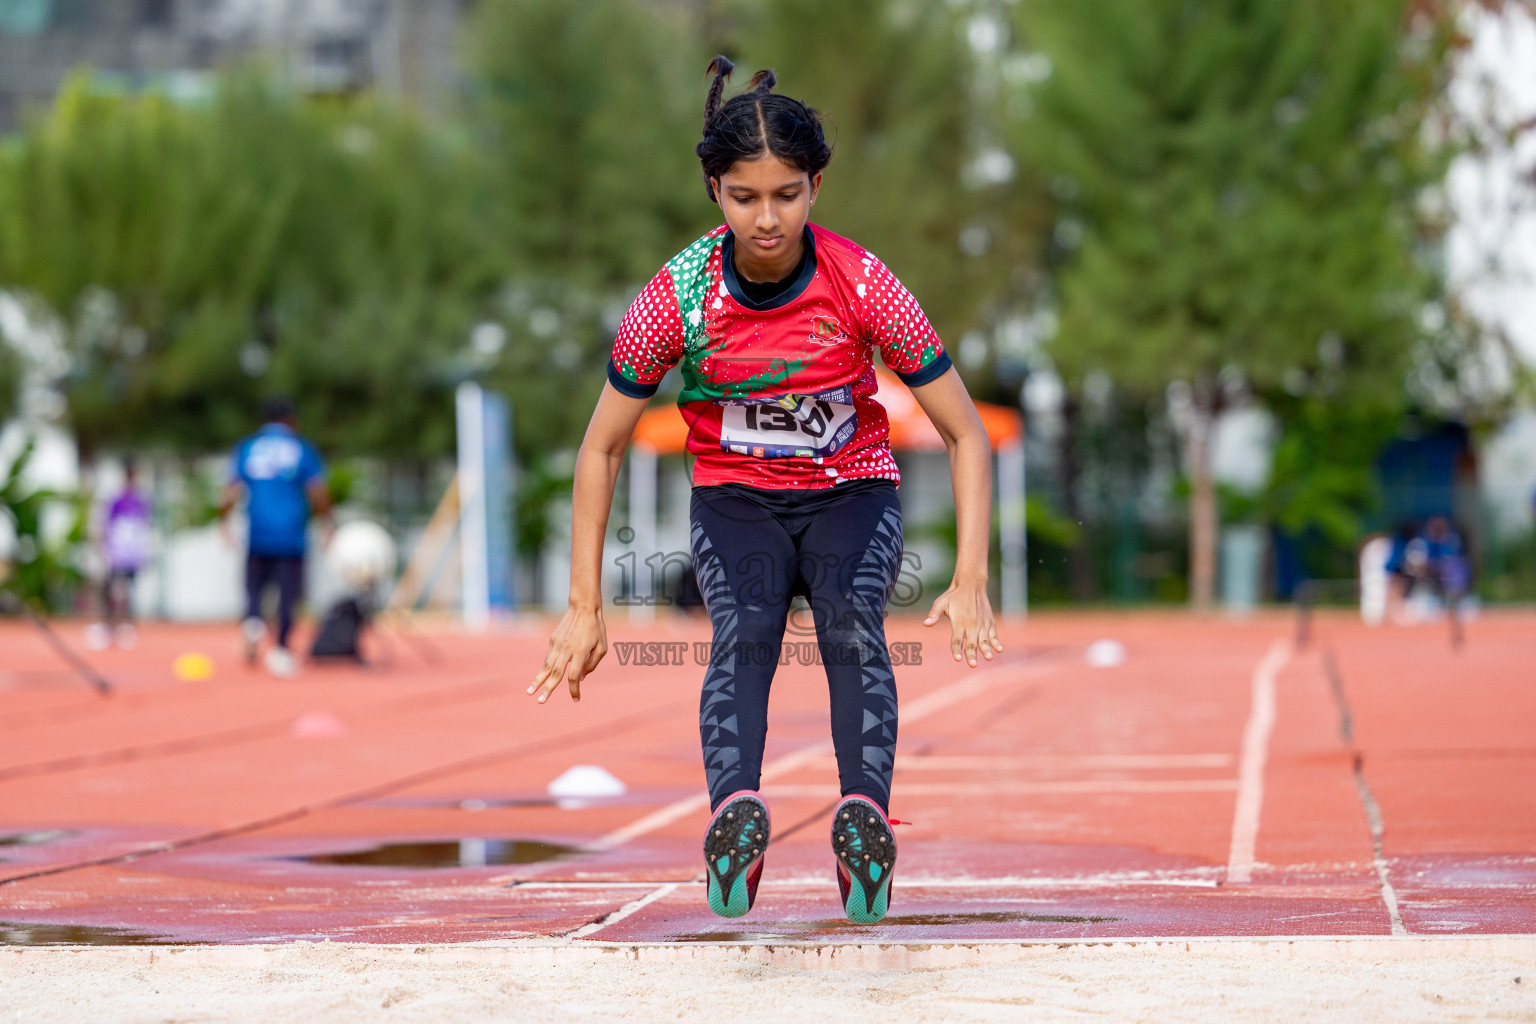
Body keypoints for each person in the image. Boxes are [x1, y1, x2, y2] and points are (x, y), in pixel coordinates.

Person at [527, 58, 1003, 924]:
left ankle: (862, 816)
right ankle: (733, 816)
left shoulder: (863, 285)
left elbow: (967, 432)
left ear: (817, 185)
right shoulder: (676, 298)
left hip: (850, 491)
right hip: (735, 500)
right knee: (742, 631)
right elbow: (600, 450)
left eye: (787, 194)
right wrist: (582, 605)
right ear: (715, 191)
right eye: (745, 197)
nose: (768, 217)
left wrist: (971, 577)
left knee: (852, 621)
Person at [219, 398, 331, 677]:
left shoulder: (248, 447)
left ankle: (253, 622)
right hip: (291, 533)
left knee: (254, 587)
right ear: (290, 418)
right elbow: (317, 490)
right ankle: (280, 648)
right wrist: (327, 522)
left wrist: (223, 522)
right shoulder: (301, 447)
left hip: (257, 531)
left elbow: (230, 490)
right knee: (287, 594)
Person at [85, 459, 153, 651]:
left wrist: (144, 552)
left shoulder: (141, 500)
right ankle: (108, 626)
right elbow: (105, 524)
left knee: (129, 590)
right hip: (117, 551)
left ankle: (126, 626)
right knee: (109, 587)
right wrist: (104, 548)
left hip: (133, 553)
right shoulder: (115, 499)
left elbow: (144, 527)